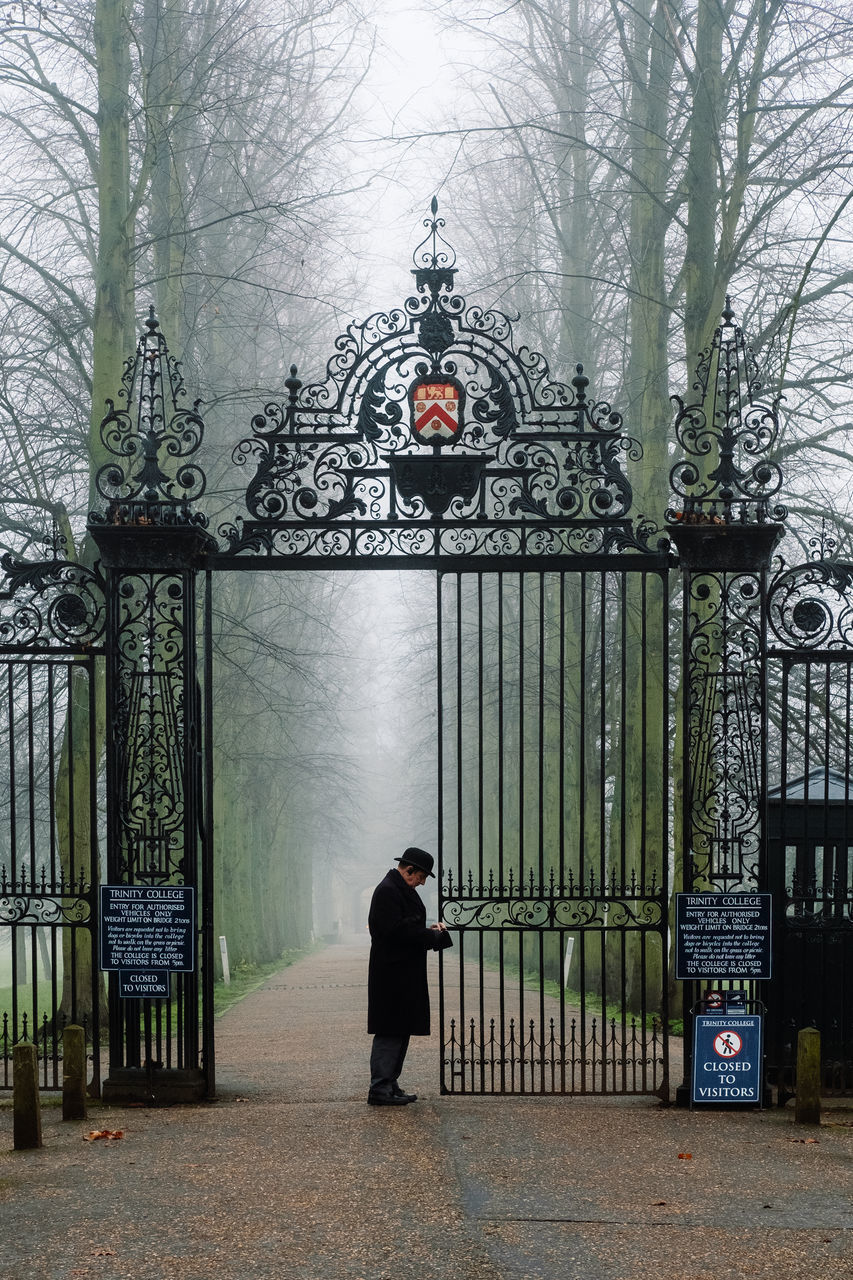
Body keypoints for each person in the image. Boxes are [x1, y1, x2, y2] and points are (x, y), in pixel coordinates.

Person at [366, 846, 452, 1106]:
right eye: (422, 876)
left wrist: (428, 931)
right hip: (392, 975)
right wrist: (432, 935)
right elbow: (395, 932)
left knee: (399, 1029)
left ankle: (389, 1084)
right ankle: (379, 1088)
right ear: (409, 869)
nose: (423, 881)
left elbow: (404, 927)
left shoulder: (396, 889)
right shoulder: (388, 891)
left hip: (400, 973)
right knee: (390, 1031)